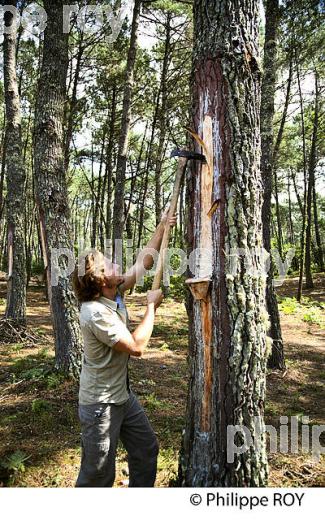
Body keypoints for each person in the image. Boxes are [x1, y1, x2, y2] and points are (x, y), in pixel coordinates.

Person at [72, 211, 176, 487]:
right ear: (100, 279)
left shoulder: (114, 292)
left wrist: (162, 226)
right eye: (109, 264)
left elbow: (144, 261)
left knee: (145, 450)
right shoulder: (95, 312)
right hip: (100, 404)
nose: (116, 262)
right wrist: (151, 307)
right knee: (98, 475)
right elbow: (136, 346)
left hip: (121, 395)